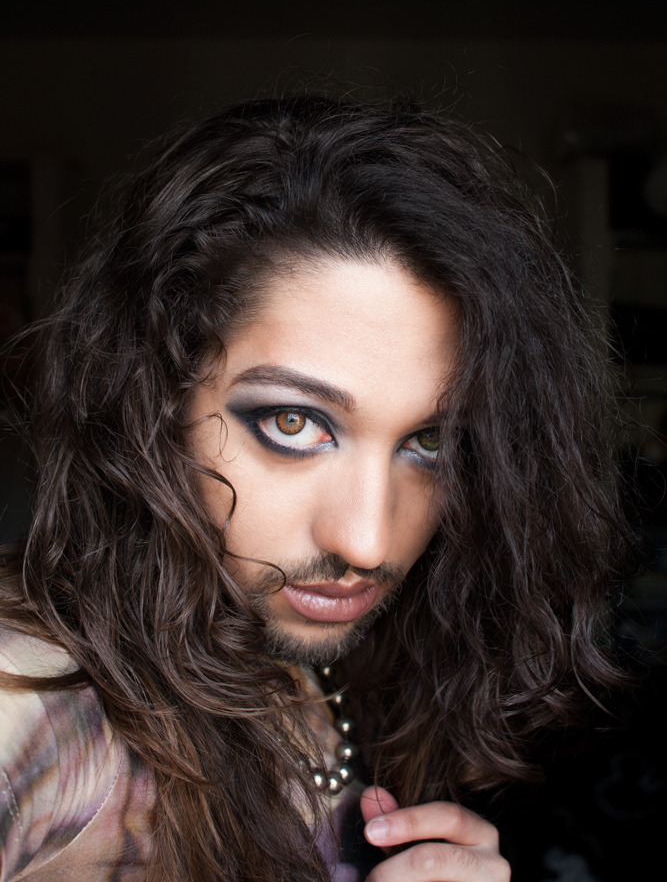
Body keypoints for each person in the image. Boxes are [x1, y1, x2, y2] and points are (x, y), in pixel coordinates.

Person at [0, 94, 632, 882]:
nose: (366, 541)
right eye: (293, 424)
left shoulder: (300, 653)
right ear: (154, 400)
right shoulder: (26, 694)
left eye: (430, 442)